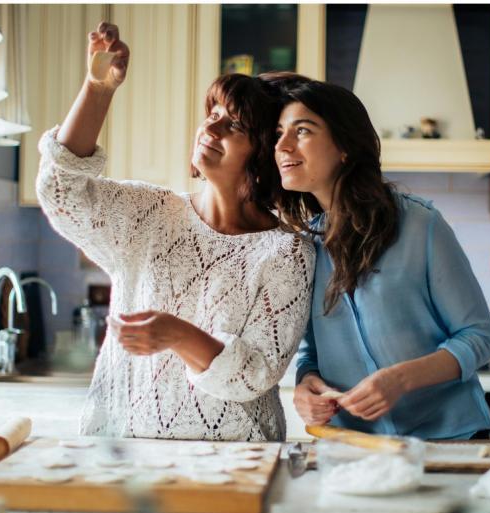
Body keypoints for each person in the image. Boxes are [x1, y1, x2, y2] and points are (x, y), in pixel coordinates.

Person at [36, 23, 315, 441]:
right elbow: (60, 190)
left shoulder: (287, 253)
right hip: (126, 448)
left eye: (235, 126)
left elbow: (255, 373)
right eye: (213, 115)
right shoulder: (150, 214)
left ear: (261, 157)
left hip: (239, 459)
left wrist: (177, 334)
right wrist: (98, 89)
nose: (211, 129)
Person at [266, 74, 490, 439]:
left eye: (302, 130)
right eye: (279, 133)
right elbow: (312, 352)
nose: (282, 145)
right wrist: (306, 383)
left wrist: (400, 379)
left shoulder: (420, 223)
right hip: (355, 446)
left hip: (450, 441)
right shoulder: (302, 246)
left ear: (344, 146)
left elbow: (478, 337)